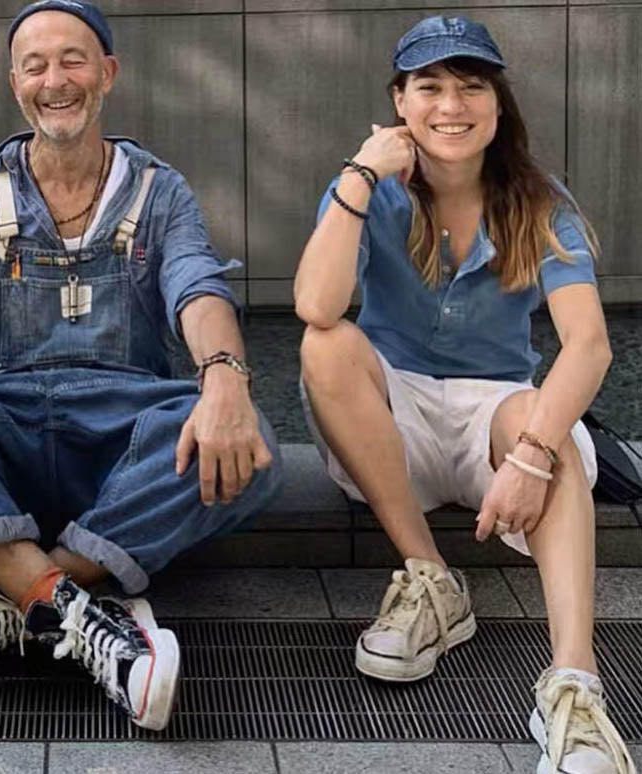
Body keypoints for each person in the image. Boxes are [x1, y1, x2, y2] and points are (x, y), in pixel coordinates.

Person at [0, 0, 281, 731]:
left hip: (120, 442)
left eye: (73, 61)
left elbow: (198, 289)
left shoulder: (159, 191)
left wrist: (223, 374)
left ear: (107, 73)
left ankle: (10, 594)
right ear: (15, 85)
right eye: (35, 66)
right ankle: (85, 613)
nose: (55, 81)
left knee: (253, 446)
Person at [295, 15, 635, 774]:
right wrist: (359, 172)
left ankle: (574, 687)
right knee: (327, 344)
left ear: (497, 103)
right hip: (393, 426)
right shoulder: (367, 192)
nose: (451, 106)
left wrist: (533, 456)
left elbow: (588, 344)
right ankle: (431, 580)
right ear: (400, 101)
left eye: (471, 86)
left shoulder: (539, 201)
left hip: (496, 418)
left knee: (541, 416)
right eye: (430, 87)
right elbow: (316, 306)